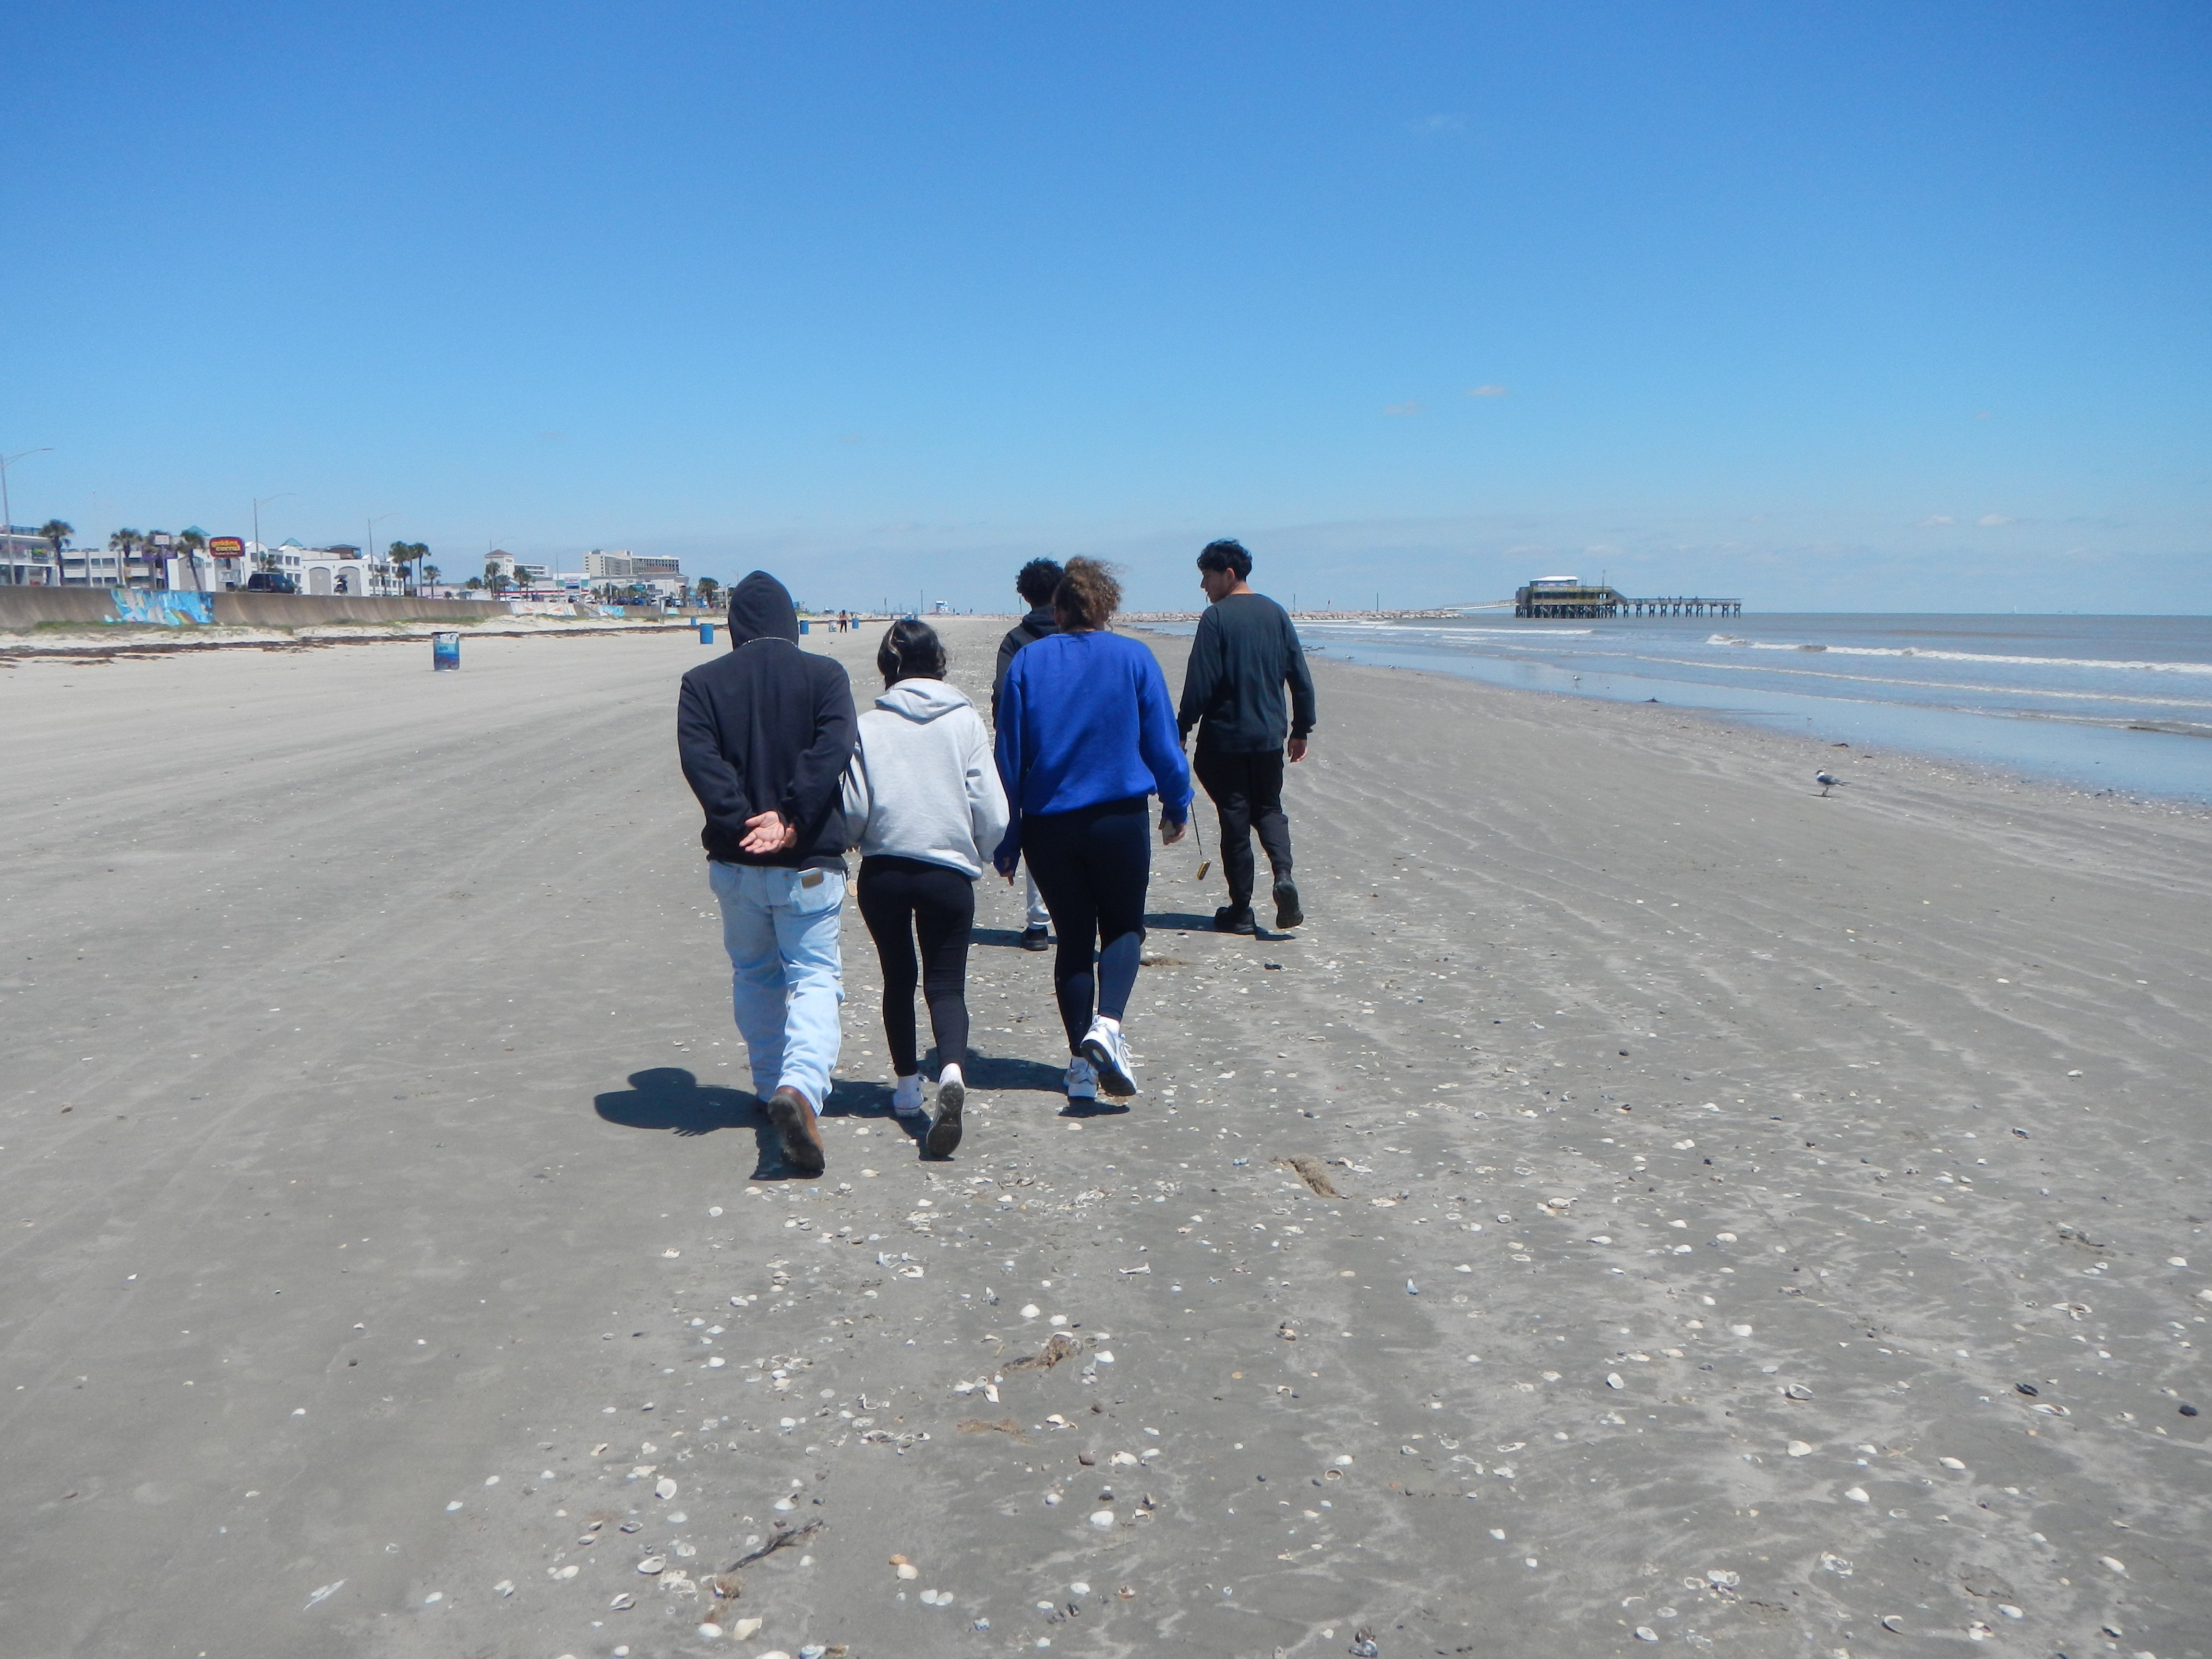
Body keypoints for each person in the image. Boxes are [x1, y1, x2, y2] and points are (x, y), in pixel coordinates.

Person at [676, 571, 857, 1177]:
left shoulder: (701, 683)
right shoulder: (826, 676)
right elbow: (831, 752)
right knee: (813, 977)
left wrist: (742, 823)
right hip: (806, 863)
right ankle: (800, 1089)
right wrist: (791, 820)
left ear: (734, 628)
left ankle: (766, 1086)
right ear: (790, 622)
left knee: (755, 975)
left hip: (735, 862)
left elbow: (701, 764)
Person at [992, 558, 1190, 1103]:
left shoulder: (1028, 662)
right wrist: (1178, 804)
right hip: (1118, 820)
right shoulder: (1134, 657)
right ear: (1107, 607)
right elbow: (1163, 745)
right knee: (1124, 927)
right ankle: (1108, 1025)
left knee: (1073, 941)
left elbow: (1009, 758)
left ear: (1056, 609)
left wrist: (1007, 839)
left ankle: (1081, 1070)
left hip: (1050, 826)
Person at [842, 619, 1008, 1157]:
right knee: (946, 984)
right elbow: (991, 807)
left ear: (887, 666)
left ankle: (909, 1086)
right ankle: (953, 1072)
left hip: (885, 872)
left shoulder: (869, 725)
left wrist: (855, 837)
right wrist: (981, 849)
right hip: (947, 874)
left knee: (898, 977)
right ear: (940, 662)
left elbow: (855, 807)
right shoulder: (964, 723)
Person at [1176, 538, 1317, 934]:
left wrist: (1182, 727)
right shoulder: (1276, 613)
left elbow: (1200, 682)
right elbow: (1300, 678)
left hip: (1225, 739)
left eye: (1207, 577)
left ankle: (1241, 910)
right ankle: (1283, 875)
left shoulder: (1216, 618)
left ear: (1229, 575)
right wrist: (1301, 729)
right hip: (1270, 737)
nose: (1204, 586)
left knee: (1234, 818)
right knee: (1269, 808)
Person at [991, 557, 1064, 951]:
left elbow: (1003, 696)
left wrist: (1008, 737)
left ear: (1024, 594)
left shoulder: (1017, 640)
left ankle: (1038, 925)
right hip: (1075, 744)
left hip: (1033, 746)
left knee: (1037, 834)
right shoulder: (1076, 636)